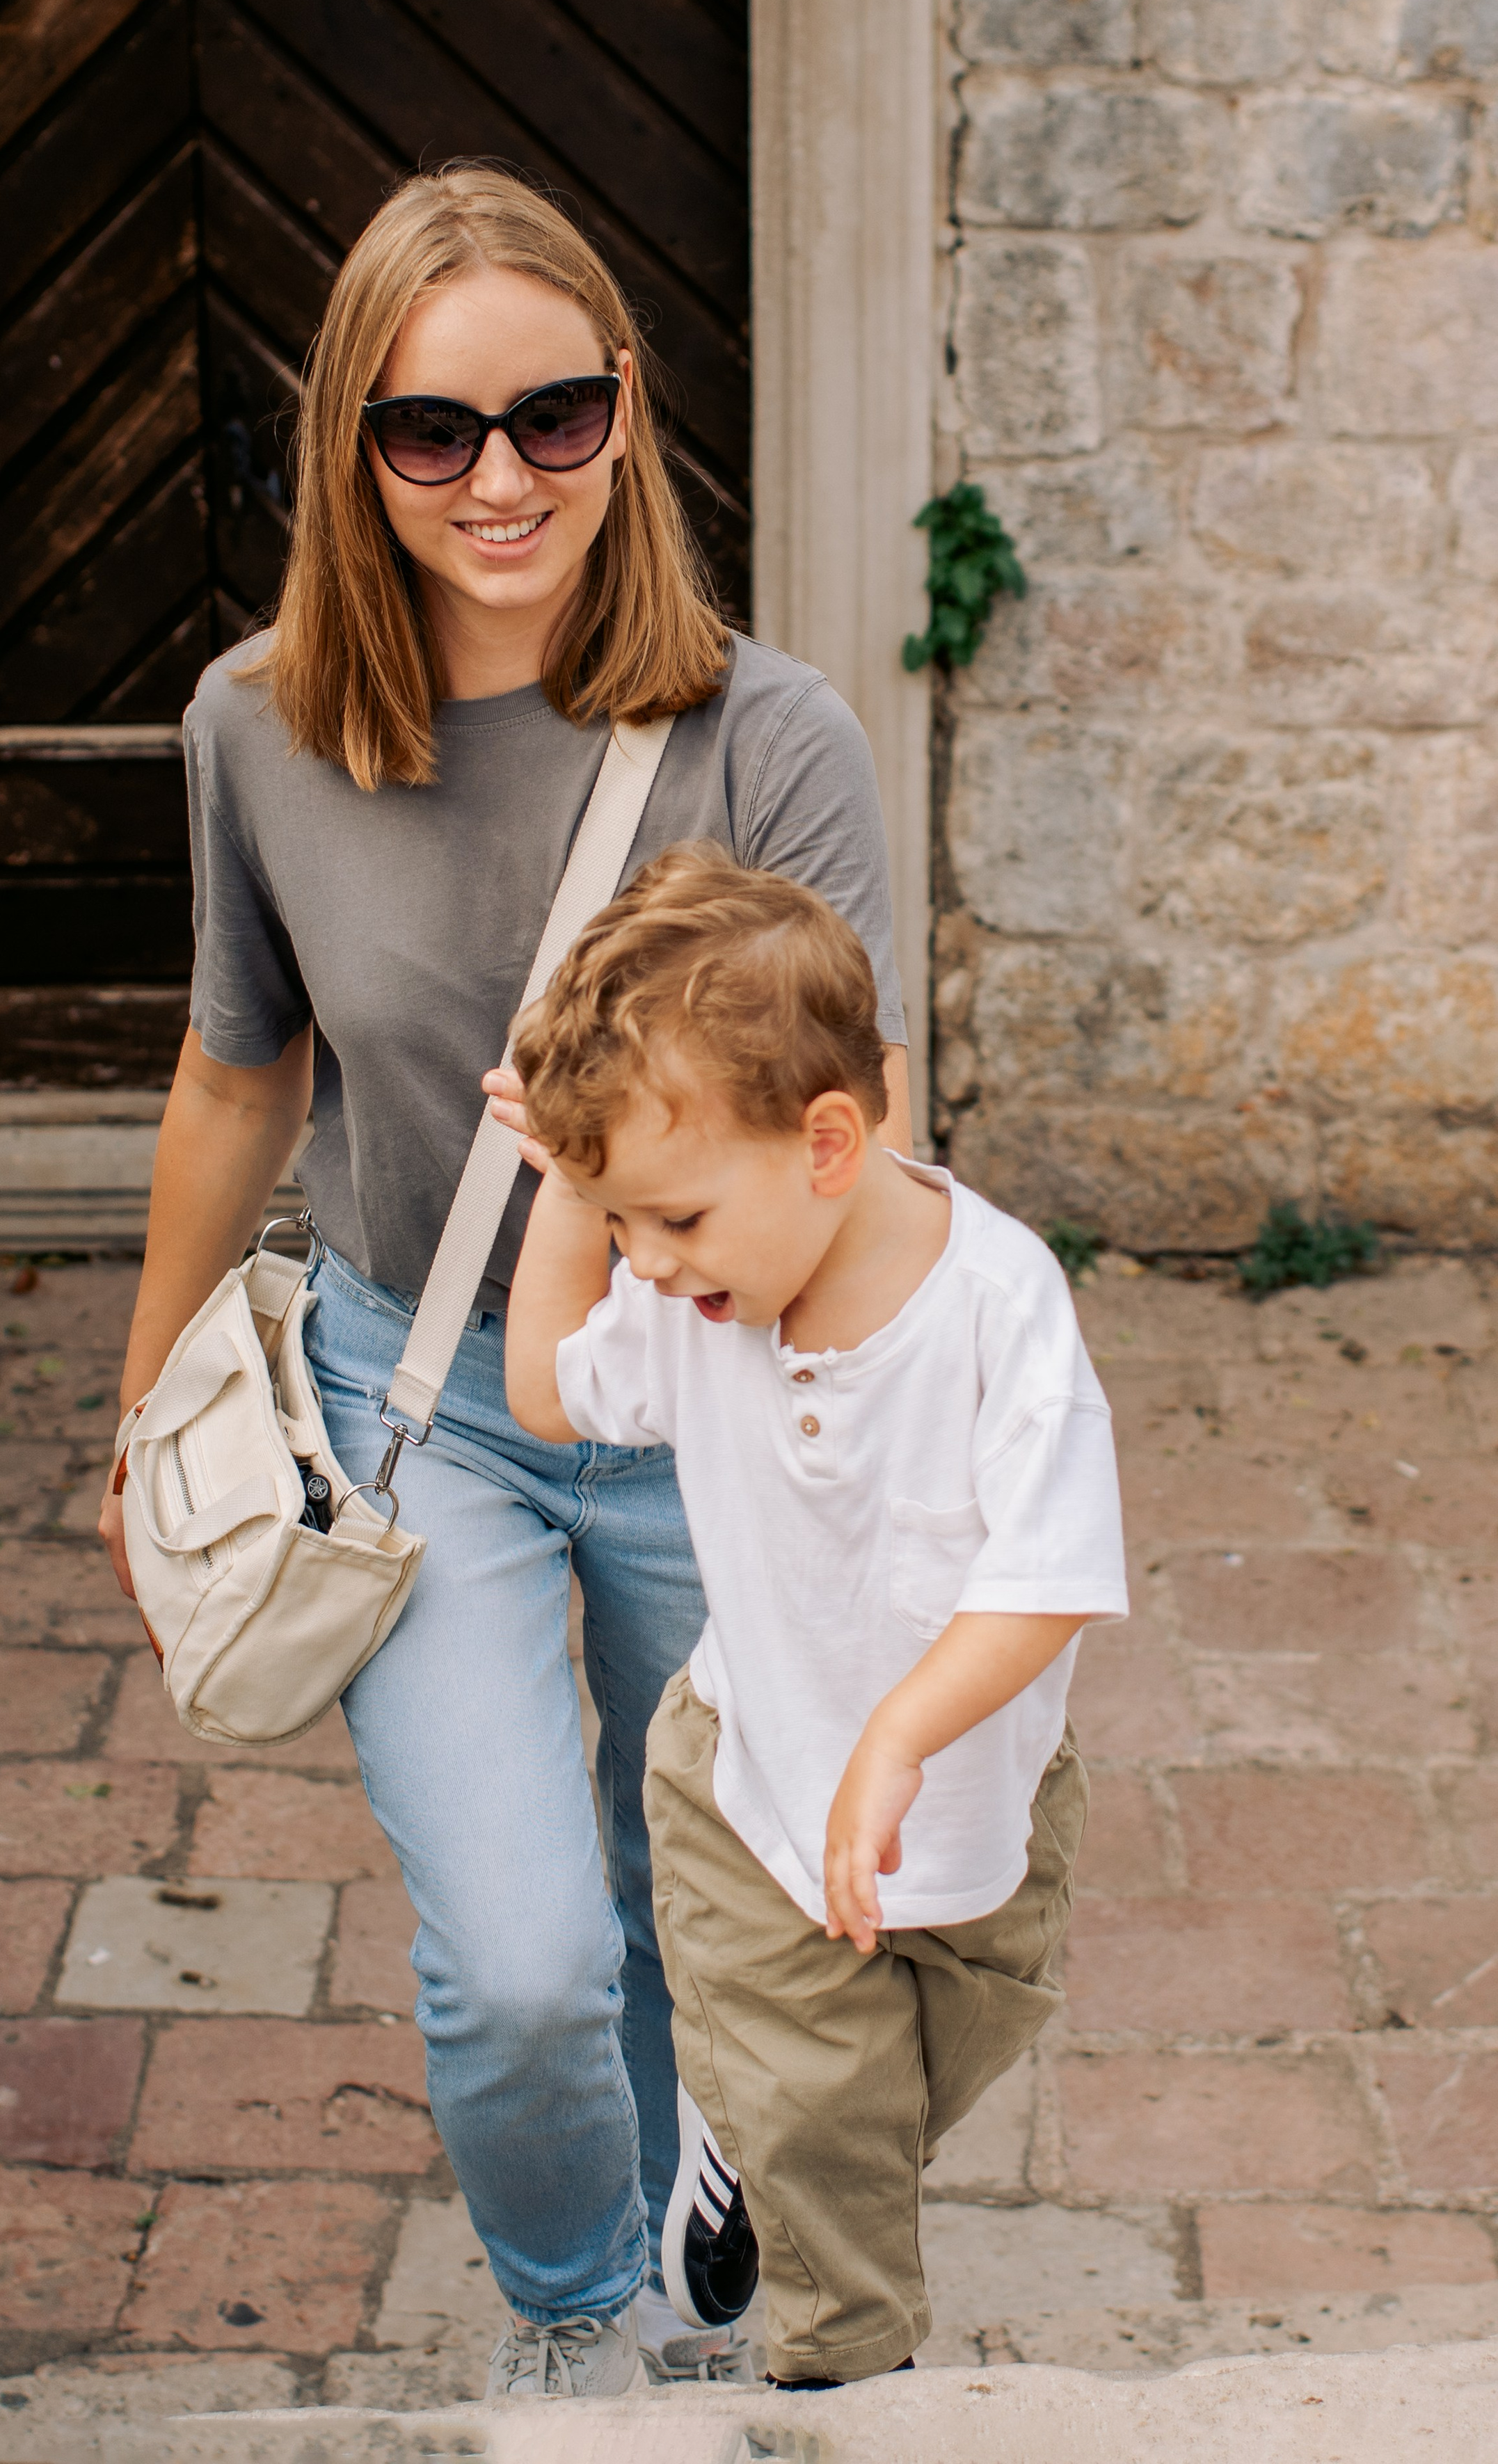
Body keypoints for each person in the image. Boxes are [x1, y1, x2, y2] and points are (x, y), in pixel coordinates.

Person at [95, 163, 915, 2399]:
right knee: (529, 1963)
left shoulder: (774, 737)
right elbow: (235, 1078)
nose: (500, 480)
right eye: (432, 432)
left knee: (699, 1924)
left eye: (555, 418)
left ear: (628, 416)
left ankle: (697, 2273)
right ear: (351, 444)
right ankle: (576, 2321)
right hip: (413, 1397)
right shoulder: (257, 728)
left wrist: (889, 1453)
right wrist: (154, 1394)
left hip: (714, 1411)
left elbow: (876, 1148)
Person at [502, 845, 1128, 2387]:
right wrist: (565, 1200)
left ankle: (752, 2134)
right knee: (832, 2145)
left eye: (674, 1219)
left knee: (901, 2093)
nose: (644, 1264)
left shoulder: (995, 1307)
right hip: (743, 1787)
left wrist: (901, 1739)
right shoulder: (694, 1292)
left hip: (967, 1818)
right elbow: (539, 1391)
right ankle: (839, 2384)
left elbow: (1045, 1575)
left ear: (829, 1143)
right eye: (622, 1225)